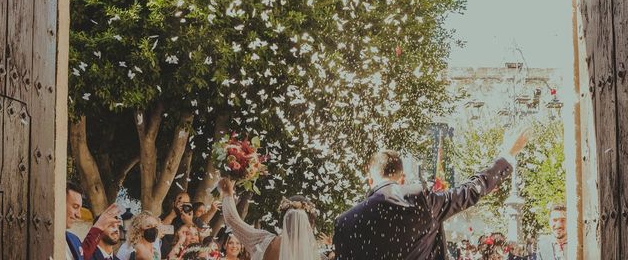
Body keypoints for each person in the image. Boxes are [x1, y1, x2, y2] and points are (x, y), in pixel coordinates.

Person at [333, 126, 530, 259]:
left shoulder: (345, 222)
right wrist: (507, 154)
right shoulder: (419, 199)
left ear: (370, 180)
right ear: (402, 179)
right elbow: (470, 191)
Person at [218, 178, 325, 260]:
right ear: (309, 225)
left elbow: (232, 221)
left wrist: (228, 193)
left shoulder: (265, 240)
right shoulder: (314, 254)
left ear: (283, 220)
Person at [66, 181, 121, 260]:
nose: (79, 215)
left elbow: (82, 257)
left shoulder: (74, 240)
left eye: (117, 226)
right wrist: (99, 227)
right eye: (75, 207)